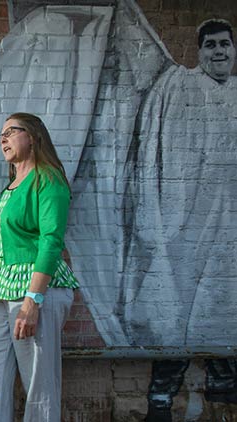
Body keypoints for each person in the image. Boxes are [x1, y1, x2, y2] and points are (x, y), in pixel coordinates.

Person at [119, 19, 237, 421]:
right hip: (185, 222)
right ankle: (161, 398)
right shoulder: (180, 87)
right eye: (210, 46)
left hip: (230, 225)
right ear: (199, 52)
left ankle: (223, 383)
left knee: (224, 305)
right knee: (177, 309)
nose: (218, 52)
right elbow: (152, 146)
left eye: (225, 44)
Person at [0, 113, 79, 422]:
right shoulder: (11, 186)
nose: (2, 139)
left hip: (35, 290)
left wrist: (33, 301)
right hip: (1, 291)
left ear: (33, 137)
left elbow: (51, 242)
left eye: (10, 132)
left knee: (38, 385)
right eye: (0, 135)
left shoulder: (48, 179)